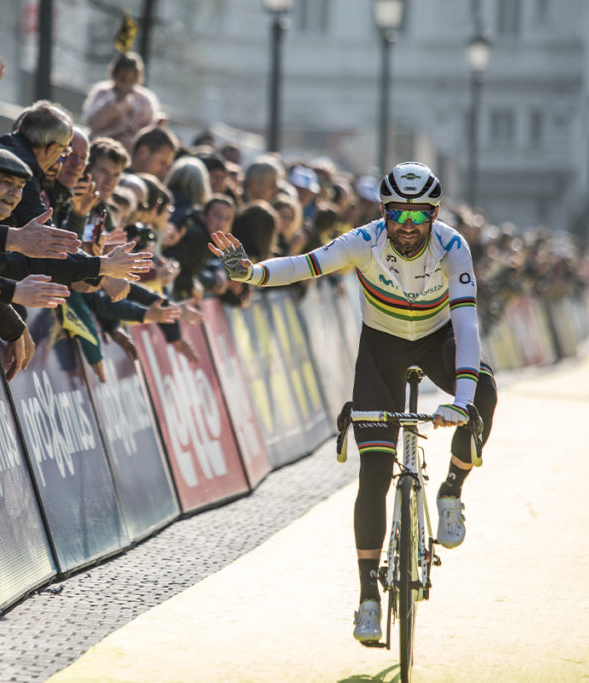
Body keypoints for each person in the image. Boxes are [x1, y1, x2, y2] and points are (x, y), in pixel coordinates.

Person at [208, 161, 498, 644]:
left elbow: (467, 326)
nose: (407, 227)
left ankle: (451, 491)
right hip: (380, 348)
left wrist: (462, 400)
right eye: (397, 216)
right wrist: (252, 273)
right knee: (374, 475)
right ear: (383, 212)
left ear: (434, 215)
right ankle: (368, 595)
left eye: (418, 217)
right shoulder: (364, 240)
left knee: (484, 392)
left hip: (438, 338)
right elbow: (306, 266)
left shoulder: (453, 247)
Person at [83, 52, 161, 151]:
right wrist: (116, 107)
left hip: (130, 148)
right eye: (123, 79)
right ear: (114, 74)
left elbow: (149, 130)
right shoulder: (103, 93)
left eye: (132, 80)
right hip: (101, 144)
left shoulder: (144, 99)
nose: (127, 85)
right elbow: (93, 123)